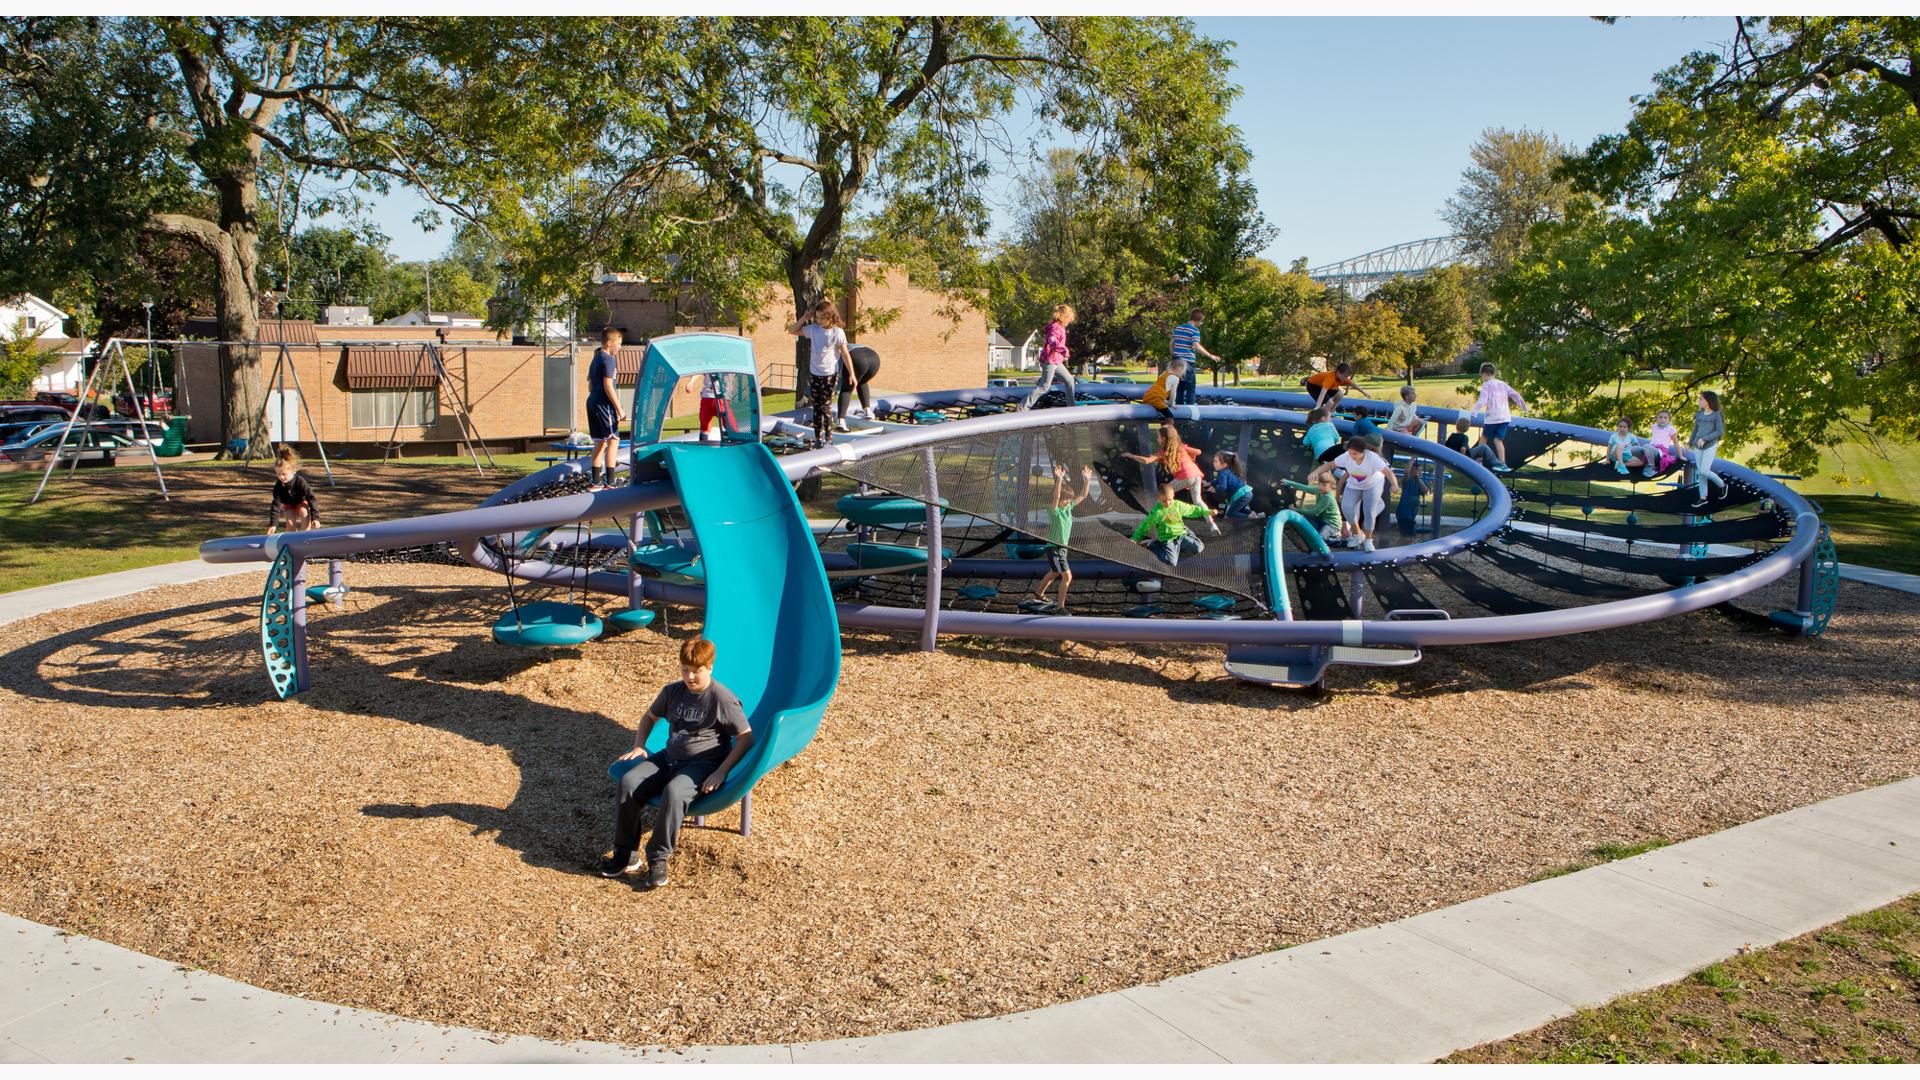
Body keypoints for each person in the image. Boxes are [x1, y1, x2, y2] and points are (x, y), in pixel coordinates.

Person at [601, 636, 754, 891]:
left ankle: (658, 857)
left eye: (696, 671)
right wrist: (639, 744)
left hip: (702, 765)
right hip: (669, 757)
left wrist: (721, 771)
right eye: (685, 670)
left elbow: (746, 738)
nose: (690, 677)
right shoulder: (673, 692)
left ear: (710, 668)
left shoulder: (721, 698)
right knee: (628, 782)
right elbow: (649, 717)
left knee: (674, 792)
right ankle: (626, 853)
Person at [1025, 463, 1094, 614]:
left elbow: (1083, 495)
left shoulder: (1068, 509)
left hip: (1062, 548)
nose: (1068, 501)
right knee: (1067, 577)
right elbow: (1056, 496)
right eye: (1066, 499)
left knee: (1054, 572)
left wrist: (1087, 480)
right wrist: (1059, 479)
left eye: (1069, 499)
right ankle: (1060, 607)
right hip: (1055, 548)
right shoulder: (1054, 511)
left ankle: (1039, 593)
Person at [1311, 436, 1399, 552]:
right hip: (1355, 485)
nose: (1352, 457)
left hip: (1373, 484)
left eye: (1355, 454)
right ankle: (1357, 534)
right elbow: (1332, 467)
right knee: (1346, 507)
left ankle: (1368, 540)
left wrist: (1394, 484)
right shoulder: (1347, 457)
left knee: (1369, 512)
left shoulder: (1373, 458)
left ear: (1364, 452)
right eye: (1350, 453)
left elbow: (1388, 472)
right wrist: (1316, 472)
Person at [787, 300, 856, 448]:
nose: (818, 321)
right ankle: (819, 438)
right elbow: (792, 330)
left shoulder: (837, 332)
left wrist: (852, 374)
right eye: (817, 317)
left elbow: (845, 354)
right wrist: (804, 319)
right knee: (817, 407)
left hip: (829, 374)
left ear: (831, 317)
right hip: (815, 374)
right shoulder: (813, 329)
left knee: (825, 406)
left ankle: (829, 437)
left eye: (821, 318)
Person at [1123, 424, 1219, 529]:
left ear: (1164, 439)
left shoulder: (1164, 452)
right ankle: (1211, 524)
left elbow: (1146, 460)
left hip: (1185, 476)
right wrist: (1190, 454)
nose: (1157, 439)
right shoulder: (1180, 447)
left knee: (1162, 496)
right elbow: (1198, 452)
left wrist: (1131, 455)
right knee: (1198, 501)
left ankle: (1161, 520)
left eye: (1158, 437)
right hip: (1196, 475)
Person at [1130, 481, 1217, 566]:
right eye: (1164, 501)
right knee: (1171, 562)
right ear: (1158, 498)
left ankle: (1182, 540)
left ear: (1173, 496)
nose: (1167, 503)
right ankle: (1152, 545)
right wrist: (1135, 538)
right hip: (1168, 539)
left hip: (1181, 534)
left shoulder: (1178, 505)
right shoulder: (1157, 512)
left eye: (1169, 500)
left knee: (1199, 548)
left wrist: (1207, 512)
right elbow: (1145, 526)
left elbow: (1192, 510)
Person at [584, 326, 626, 491]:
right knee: (614, 440)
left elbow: (590, 385)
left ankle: (595, 482)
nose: (620, 348)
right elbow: (608, 385)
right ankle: (610, 482)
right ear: (610, 343)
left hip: (592, 400)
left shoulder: (595, 358)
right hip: (603, 403)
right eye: (619, 344)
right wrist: (619, 409)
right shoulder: (608, 359)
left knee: (600, 442)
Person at [1471, 362, 1527, 472]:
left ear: (1485, 374)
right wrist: (1523, 407)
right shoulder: (1502, 384)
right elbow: (1515, 394)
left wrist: (1474, 412)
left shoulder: (1487, 385)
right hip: (1505, 418)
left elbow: (1482, 400)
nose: (1482, 378)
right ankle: (1502, 463)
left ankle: (1479, 460)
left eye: (1482, 376)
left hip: (1493, 417)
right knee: (1498, 440)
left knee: (1484, 437)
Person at [1020, 304, 1076, 410]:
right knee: (1044, 386)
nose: (1069, 322)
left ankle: (1071, 407)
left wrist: (1062, 353)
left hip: (1056, 361)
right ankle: (1023, 406)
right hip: (1050, 360)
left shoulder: (1057, 326)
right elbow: (1052, 340)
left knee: (1069, 380)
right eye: (1068, 319)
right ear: (1063, 317)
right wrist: (1064, 350)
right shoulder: (1056, 327)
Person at [1170, 308, 1221, 408]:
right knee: (1190, 389)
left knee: (1179, 388)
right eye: (1202, 322)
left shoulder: (1178, 328)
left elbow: (1171, 343)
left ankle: (1179, 415)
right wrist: (1210, 355)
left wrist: (1175, 356)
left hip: (1176, 362)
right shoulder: (1195, 330)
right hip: (1187, 363)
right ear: (1198, 320)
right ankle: (1191, 414)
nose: (1201, 324)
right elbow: (1196, 346)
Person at [267, 444, 319, 534]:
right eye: (278, 474)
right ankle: (292, 538)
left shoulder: (300, 482)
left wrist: (315, 518)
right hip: (288, 505)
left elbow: (311, 498)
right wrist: (273, 524)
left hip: (300, 502)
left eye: (284, 474)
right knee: (290, 521)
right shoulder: (278, 486)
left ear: (293, 470)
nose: (281, 477)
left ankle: (305, 535)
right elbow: (276, 505)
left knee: (304, 512)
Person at [1688, 390, 1728, 508]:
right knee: (1701, 474)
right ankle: (1703, 497)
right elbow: (1695, 430)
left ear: (1708, 401)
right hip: (1697, 446)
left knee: (1704, 471)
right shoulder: (1699, 414)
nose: (1699, 401)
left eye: (1701, 399)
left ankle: (1722, 485)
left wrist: (1705, 439)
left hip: (1710, 446)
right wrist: (1689, 443)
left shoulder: (1716, 414)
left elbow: (1719, 431)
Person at [1280, 474, 1343, 542]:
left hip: (1332, 524)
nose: (1320, 487)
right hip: (1322, 520)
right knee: (1307, 517)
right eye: (1319, 484)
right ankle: (1314, 533)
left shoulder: (1327, 497)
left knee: (1320, 540)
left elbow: (1315, 512)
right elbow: (1305, 488)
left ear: (1331, 486)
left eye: (1324, 485)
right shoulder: (1318, 490)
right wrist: (1289, 482)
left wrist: (1296, 510)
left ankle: (1337, 539)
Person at [835, 344, 882, 430]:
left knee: (846, 389)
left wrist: (836, 392)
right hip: (874, 358)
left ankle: (840, 421)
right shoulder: (846, 344)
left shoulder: (833, 352)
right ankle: (867, 411)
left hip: (857, 358)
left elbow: (835, 379)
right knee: (862, 381)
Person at [1206, 450, 1256, 518]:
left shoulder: (1222, 473)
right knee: (1240, 509)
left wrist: (1214, 490)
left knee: (1230, 514)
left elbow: (1222, 488)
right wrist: (1209, 483)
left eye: (1216, 461)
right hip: (1247, 493)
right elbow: (1218, 481)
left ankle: (1250, 518)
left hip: (1242, 495)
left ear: (1224, 465)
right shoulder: (1227, 471)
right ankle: (1255, 515)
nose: (1213, 463)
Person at [1301, 362, 1366, 409]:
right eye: (1345, 376)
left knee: (1340, 395)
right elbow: (1322, 393)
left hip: (1322, 385)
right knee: (1330, 403)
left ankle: (1331, 412)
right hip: (1313, 386)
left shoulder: (1342, 378)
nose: (1346, 379)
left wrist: (1364, 392)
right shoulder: (1330, 378)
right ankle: (1323, 416)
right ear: (1338, 373)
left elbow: (1354, 385)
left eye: (1347, 377)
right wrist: (1318, 405)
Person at [697, 372, 727, 443]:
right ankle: (703, 445)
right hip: (707, 397)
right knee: (704, 425)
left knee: (729, 425)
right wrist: (690, 382)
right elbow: (698, 371)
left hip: (721, 397)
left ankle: (733, 444)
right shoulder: (707, 363)